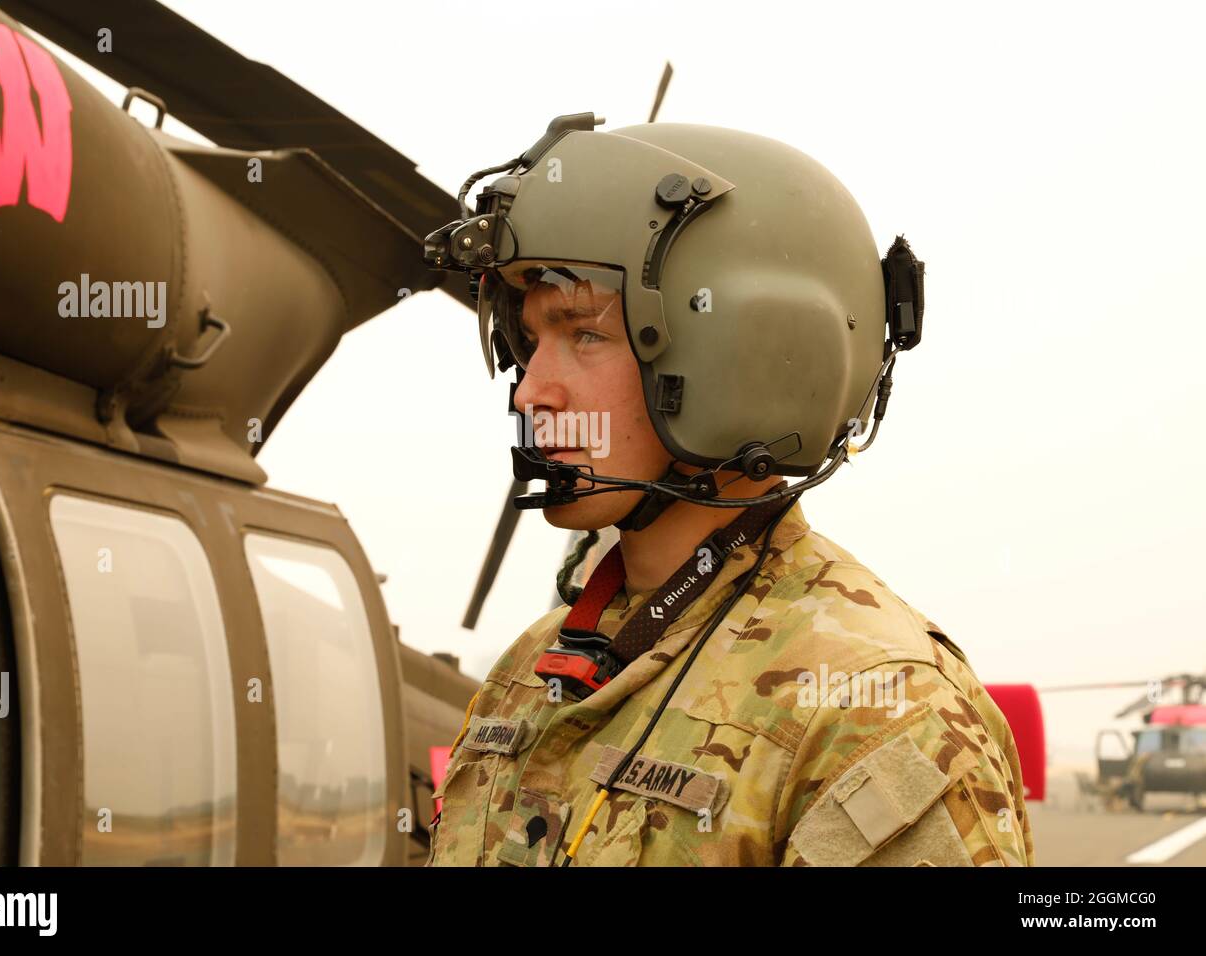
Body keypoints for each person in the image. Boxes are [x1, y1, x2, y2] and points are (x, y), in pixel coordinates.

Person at [421, 114, 1034, 866]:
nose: (532, 393)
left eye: (583, 334)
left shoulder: (878, 710)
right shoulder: (528, 673)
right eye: (531, 341)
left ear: (741, 352)